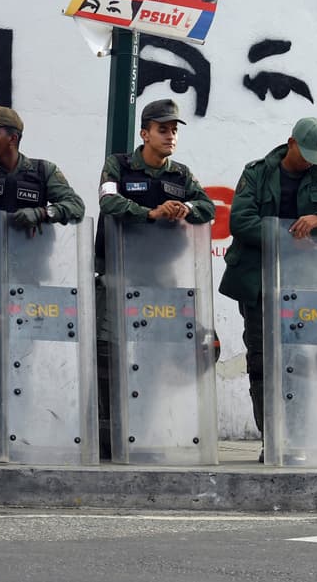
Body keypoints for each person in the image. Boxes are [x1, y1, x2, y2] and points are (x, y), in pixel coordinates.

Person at [219, 117, 317, 439]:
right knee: (262, 361)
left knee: (301, 361)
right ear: (291, 144)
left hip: (306, 285)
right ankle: (272, 438)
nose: (308, 164)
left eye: (314, 157)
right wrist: (288, 238)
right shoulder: (257, 173)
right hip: (258, 283)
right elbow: (241, 221)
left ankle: (299, 437)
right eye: (304, 155)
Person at [95, 98, 215, 457]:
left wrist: (186, 208)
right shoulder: (117, 166)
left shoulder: (181, 175)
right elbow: (108, 202)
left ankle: (143, 435)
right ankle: (108, 437)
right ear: (145, 133)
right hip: (118, 274)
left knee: (153, 356)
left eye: (175, 130)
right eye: (163, 129)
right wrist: (150, 213)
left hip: (160, 279)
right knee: (109, 354)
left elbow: (207, 207)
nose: (170, 136)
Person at [0, 107, 86, 325]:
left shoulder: (43, 173)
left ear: (13, 137)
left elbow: (76, 207)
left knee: (25, 353)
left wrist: (43, 212)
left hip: (28, 281)